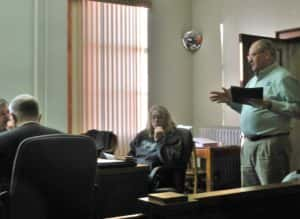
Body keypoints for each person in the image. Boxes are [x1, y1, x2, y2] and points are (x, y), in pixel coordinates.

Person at [210, 39, 300, 187]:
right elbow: (249, 110)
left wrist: (270, 103)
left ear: (267, 55)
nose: (249, 60)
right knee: (249, 196)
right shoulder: (252, 81)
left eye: (252, 55)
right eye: (247, 57)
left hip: (270, 144)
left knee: (272, 196)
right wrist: (230, 102)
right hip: (249, 144)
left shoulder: (283, 77)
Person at [0, 94, 62, 190]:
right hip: (61, 202)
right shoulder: (64, 138)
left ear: (13, 117)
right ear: (39, 117)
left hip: (15, 203)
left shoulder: (3, 141)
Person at [128, 105, 193, 192]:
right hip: (138, 172)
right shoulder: (142, 135)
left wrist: (160, 141)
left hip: (157, 175)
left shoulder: (174, 136)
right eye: (153, 118)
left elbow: (171, 160)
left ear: (166, 120)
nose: (156, 120)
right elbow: (131, 154)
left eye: (160, 118)